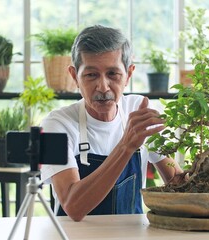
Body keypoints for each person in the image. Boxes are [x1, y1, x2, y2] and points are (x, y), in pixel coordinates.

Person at [40, 25, 183, 222]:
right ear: (74, 76)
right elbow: (73, 206)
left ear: (129, 74)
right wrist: (127, 145)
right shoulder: (56, 125)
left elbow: (176, 182)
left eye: (113, 74)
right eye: (91, 75)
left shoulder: (138, 110)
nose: (103, 86)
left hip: (133, 236)